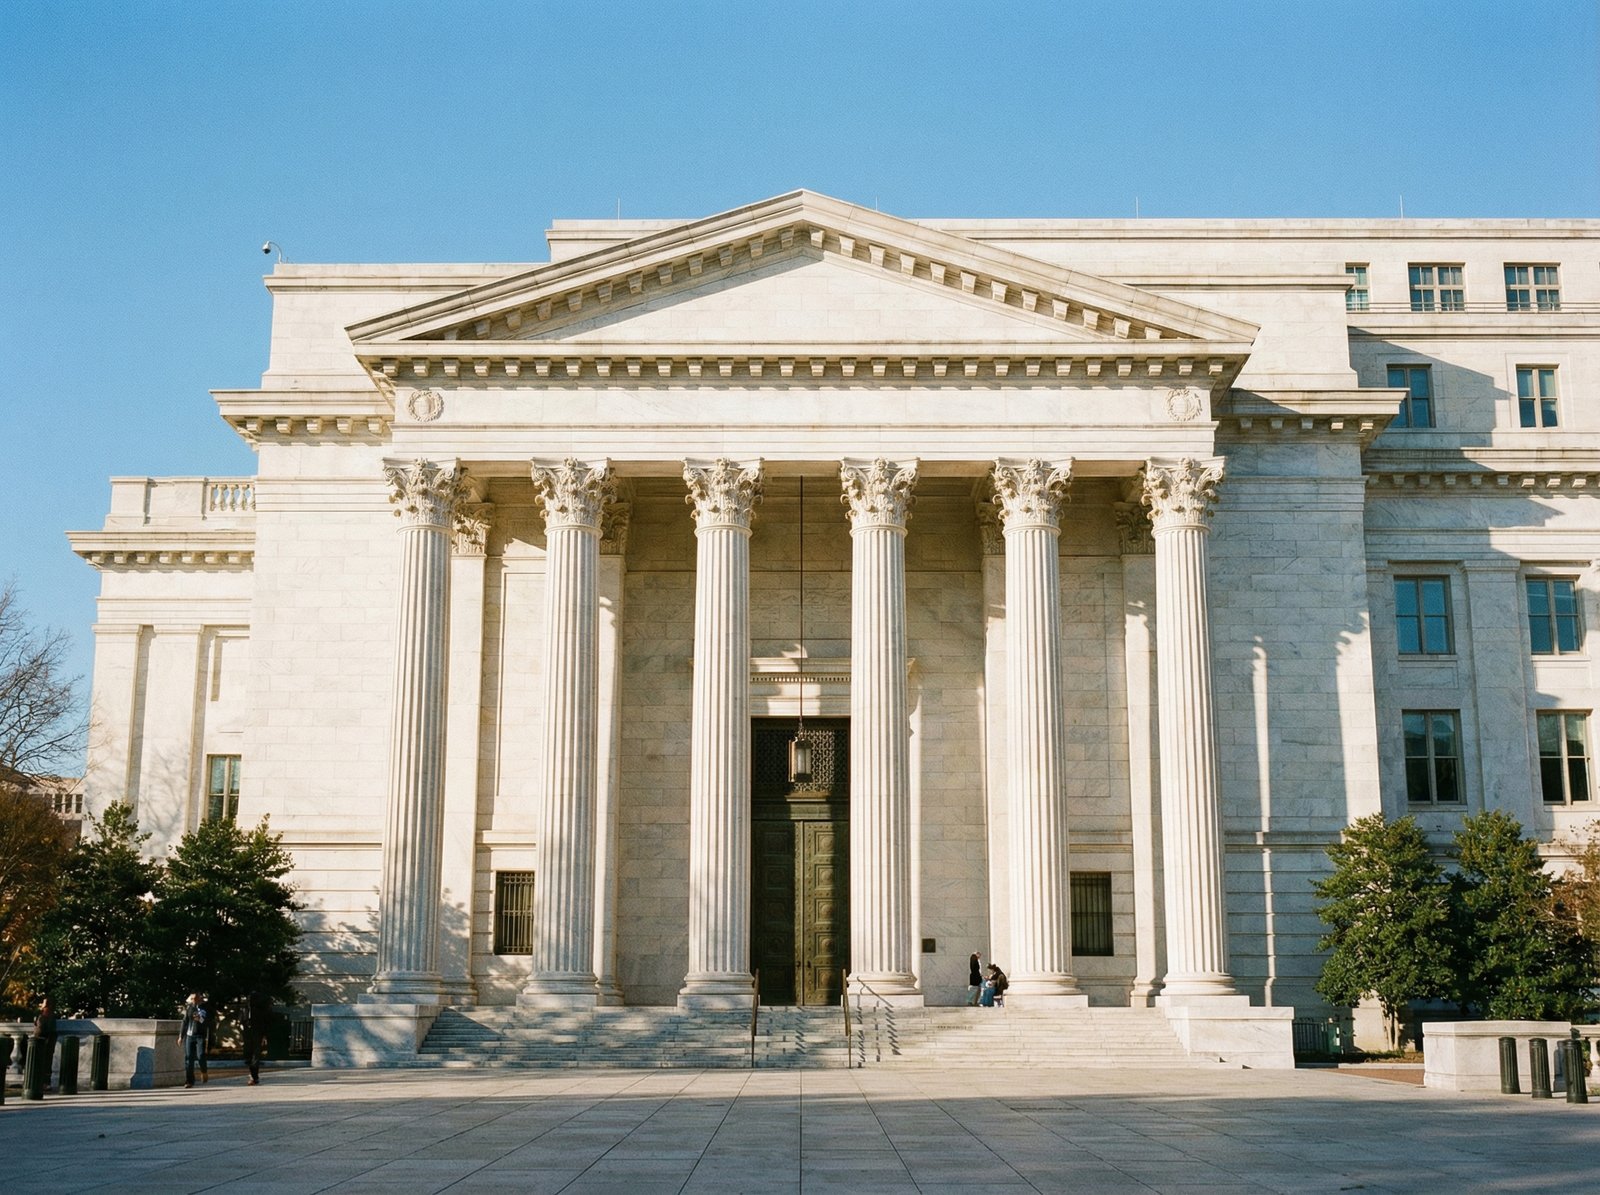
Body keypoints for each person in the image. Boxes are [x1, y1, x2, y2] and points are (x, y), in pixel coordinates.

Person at [242, 991, 273, 1085]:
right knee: (248, 1054)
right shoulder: (244, 1010)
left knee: (255, 1054)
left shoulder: (260, 1011)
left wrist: (264, 1036)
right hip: (247, 1034)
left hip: (257, 1033)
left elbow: (265, 1023)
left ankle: (254, 1076)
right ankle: (252, 1072)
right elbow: (241, 1021)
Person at [180, 993, 208, 1088]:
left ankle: (204, 1071)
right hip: (190, 1036)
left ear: (199, 999)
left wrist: (199, 1018)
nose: (193, 1001)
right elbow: (184, 1022)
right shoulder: (189, 1009)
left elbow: (204, 1020)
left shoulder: (203, 1008)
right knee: (189, 1059)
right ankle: (189, 1081)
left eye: (195, 999)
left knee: (201, 1055)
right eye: (192, 999)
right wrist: (181, 1036)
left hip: (200, 1035)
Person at [33, 996, 58, 1091]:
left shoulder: (46, 1016)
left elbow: (41, 1029)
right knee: (46, 1064)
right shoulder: (47, 1015)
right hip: (45, 1044)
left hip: (44, 1044)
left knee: (45, 1064)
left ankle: (44, 1083)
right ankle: (44, 1083)